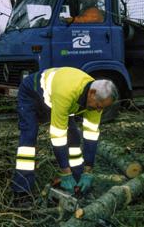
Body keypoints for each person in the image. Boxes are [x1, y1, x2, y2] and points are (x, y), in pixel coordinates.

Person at [12, 67, 118, 196]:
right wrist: (65, 173)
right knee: (29, 137)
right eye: (98, 106)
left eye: (102, 108)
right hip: (32, 92)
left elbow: (91, 136)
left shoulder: (96, 100)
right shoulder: (67, 92)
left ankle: (78, 179)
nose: (98, 111)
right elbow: (57, 136)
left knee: (74, 137)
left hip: (58, 98)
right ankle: (22, 190)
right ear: (92, 93)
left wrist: (88, 171)